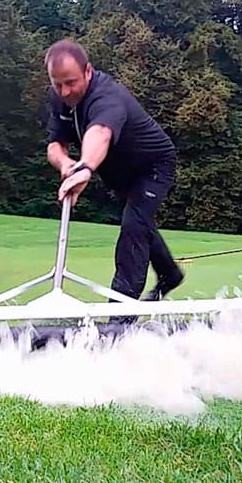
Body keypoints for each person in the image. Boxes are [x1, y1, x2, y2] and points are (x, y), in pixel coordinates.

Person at [43, 39, 184, 303]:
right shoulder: (59, 98)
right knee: (140, 222)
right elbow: (55, 143)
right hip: (119, 174)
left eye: (71, 82)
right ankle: (170, 274)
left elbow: (100, 132)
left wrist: (85, 166)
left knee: (133, 227)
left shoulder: (106, 96)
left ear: (88, 71)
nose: (64, 92)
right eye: (57, 84)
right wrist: (65, 163)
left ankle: (119, 316)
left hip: (152, 166)